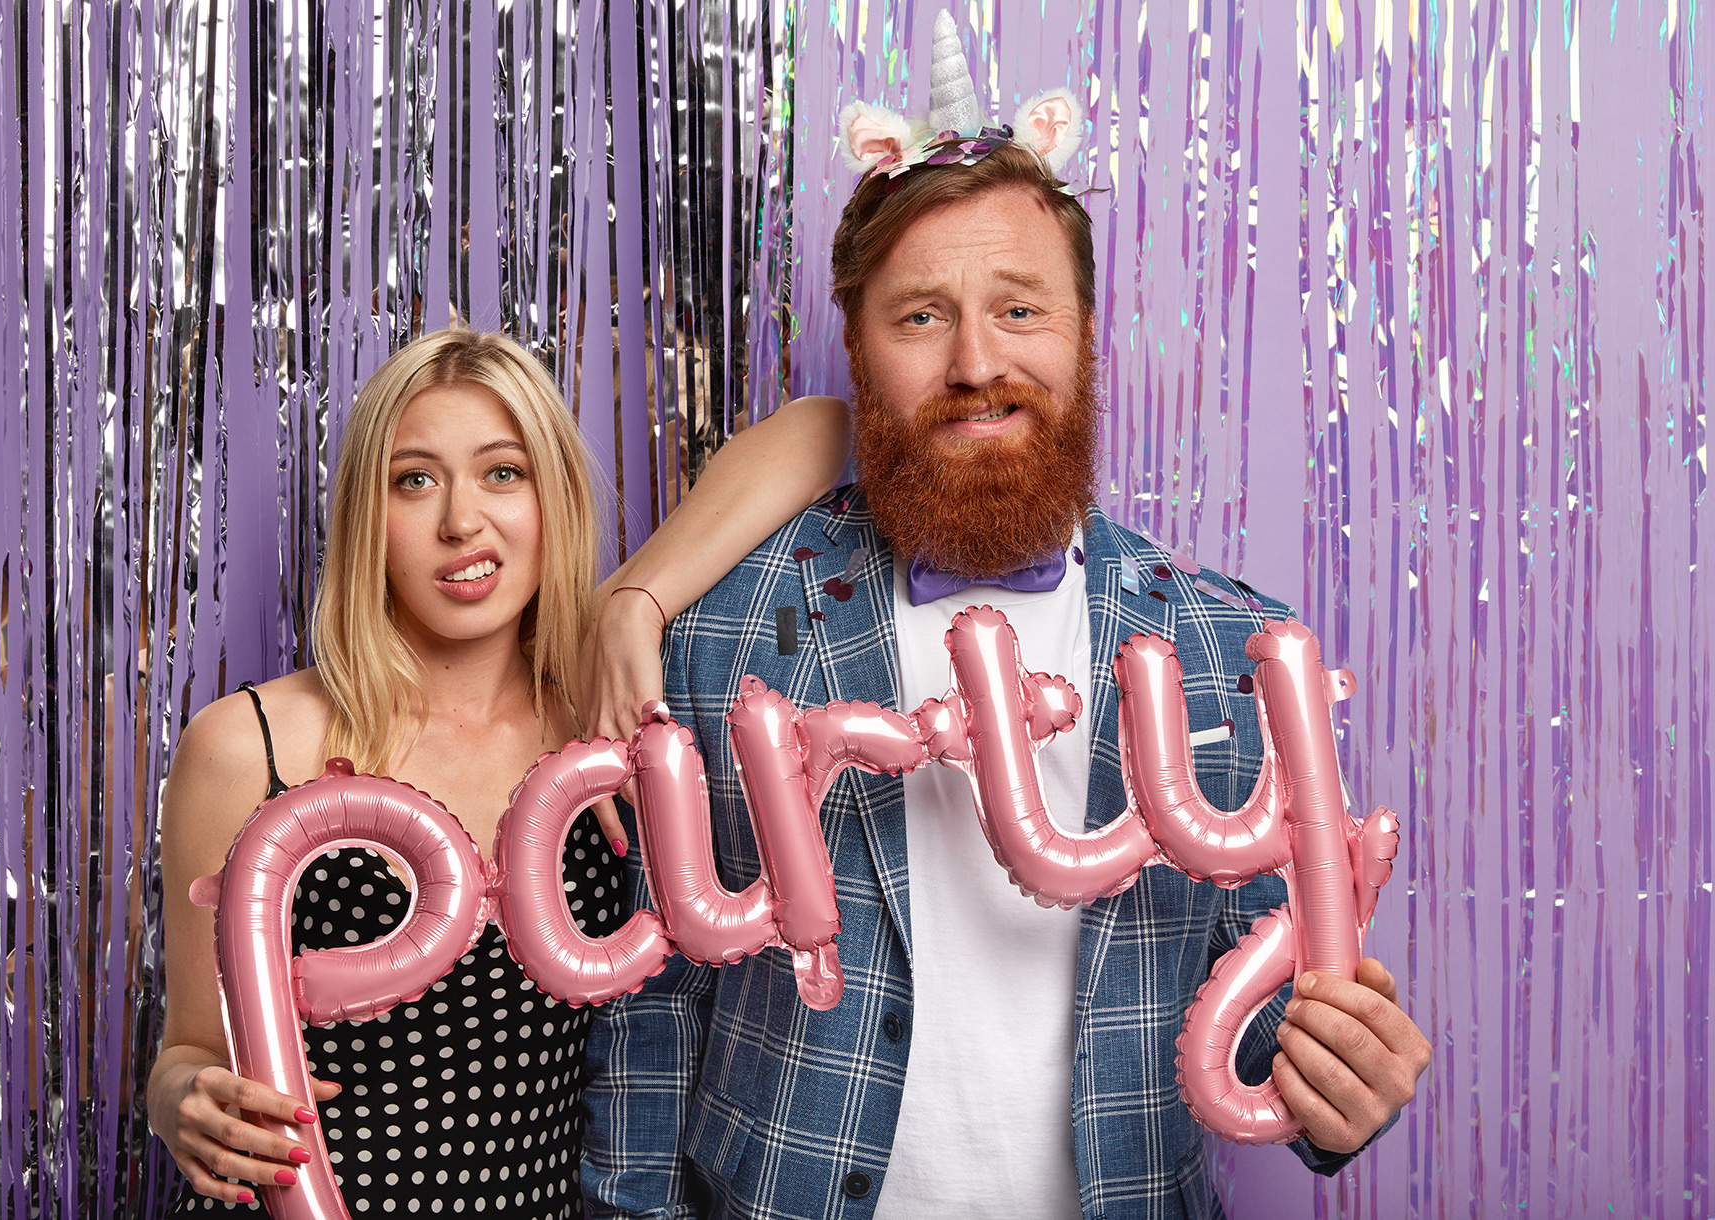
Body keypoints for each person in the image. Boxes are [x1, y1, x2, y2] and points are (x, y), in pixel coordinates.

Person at [581, 102, 1431, 1220]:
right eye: (920, 316)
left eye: (1019, 308)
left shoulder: (1232, 650)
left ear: (1084, 332)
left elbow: (1270, 995)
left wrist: (1337, 1077)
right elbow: (651, 1007)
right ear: (858, 351)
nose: (976, 363)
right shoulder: (719, 634)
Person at [148, 326, 848, 1216]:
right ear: (366, 517)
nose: (460, 521)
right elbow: (188, 1049)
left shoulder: (601, 714)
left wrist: (632, 605)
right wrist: (184, 1101)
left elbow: (825, 429)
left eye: (503, 472)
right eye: (414, 480)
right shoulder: (247, 746)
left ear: (552, 496)